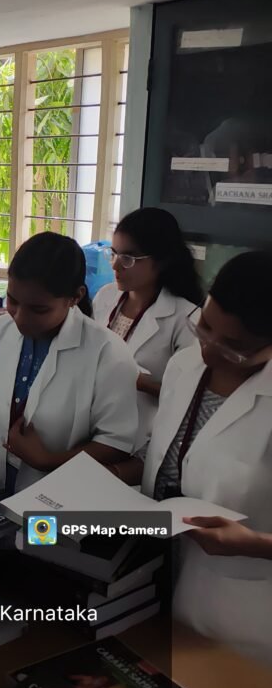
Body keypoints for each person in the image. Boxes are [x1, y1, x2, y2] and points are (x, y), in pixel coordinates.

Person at [109, 252, 272, 663]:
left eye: (234, 347)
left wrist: (257, 545)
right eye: (205, 328)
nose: (210, 351)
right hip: (154, 577)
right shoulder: (184, 366)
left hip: (243, 614)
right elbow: (169, 456)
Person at [0, 232, 138, 494]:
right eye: (13, 301)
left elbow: (115, 442)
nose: (20, 318)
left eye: (39, 310)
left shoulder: (108, 354)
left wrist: (48, 461)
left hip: (56, 493)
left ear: (75, 297)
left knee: (39, 522)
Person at [93, 207, 202, 447]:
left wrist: (140, 382)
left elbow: (191, 399)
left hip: (143, 438)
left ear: (162, 261)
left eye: (128, 258)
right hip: (95, 422)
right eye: (113, 254)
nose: (115, 266)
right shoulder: (105, 297)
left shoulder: (187, 318)